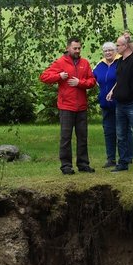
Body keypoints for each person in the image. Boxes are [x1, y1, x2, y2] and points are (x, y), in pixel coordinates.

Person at [39, 37, 97, 175]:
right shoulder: (60, 62)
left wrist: (80, 83)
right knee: (66, 138)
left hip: (81, 107)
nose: (77, 51)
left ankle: (83, 164)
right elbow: (44, 77)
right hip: (66, 107)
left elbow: (92, 81)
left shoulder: (85, 63)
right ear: (68, 48)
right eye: (74, 48)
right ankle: (66, 166)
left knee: (82, 137)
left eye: (79, 48)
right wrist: (59, 76)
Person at [108, 32, 133, 174]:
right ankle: (123, 162)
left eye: (118, 45)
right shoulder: (120, 61)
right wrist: (113, 91)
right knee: (121, 135)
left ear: (125, 46)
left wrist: (130, 40)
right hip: (120, 104)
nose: (116, 47)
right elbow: (121, 79)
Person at [92, 41, 132, 168]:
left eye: (110, 50)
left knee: (123, 131)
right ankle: (110, 158)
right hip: (105, 104)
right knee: (108, 131)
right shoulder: (100, 65)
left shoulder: (122, 61)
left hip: (120, 103)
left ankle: (127, 157)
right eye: (105, 51)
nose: (108, 53)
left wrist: (123, 85)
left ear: (116, 50)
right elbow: (93, 78)